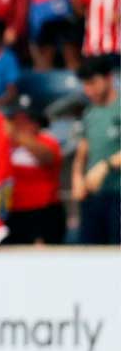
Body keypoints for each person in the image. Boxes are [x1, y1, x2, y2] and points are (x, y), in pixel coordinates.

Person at [72, 56, 120, 245]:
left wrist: (105, 166)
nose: (88, 90)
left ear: (108, 78)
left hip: (118, 193)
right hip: (94, 196)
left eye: (93, 83)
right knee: (90, 251)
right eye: (85, 85)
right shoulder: (89, 113)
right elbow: (82, 151)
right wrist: (77, 177)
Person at [3, 101, 65, 245]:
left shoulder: (47, 140)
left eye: (23, 121)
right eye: (14, 120)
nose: (18, 124)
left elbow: (47, 157)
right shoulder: (5, 145)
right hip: (12, 213)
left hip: (42, 213)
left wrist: (17, 136)